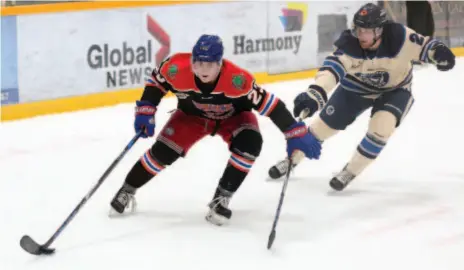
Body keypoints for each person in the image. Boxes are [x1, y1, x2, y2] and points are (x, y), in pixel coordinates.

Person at [109, 34, 322, 226]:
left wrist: (292, 131)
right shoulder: (175, 67)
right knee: (163, 152)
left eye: (209, 64)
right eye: (198, 62)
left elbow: (270, 104)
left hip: (233, 118)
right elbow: (156, 83)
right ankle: (128, 189)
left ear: (220, 63)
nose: (202, 69)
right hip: (191, 117)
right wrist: (146, 109)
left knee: (250, 144)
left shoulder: (238, 80)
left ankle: (221, 198)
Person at [268, 3, 455, 191]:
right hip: (355, 89)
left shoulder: (400, 37)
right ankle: (291, 160)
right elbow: (331, 71)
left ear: (380, 30)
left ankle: (350, 171)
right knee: (321, 128)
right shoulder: (349, 45)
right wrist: (314, 94)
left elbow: (426, 45)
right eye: (358, 29)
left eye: (366, 31)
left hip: (395, 90)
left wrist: (438, 52)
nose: (360, 35)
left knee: (381, 128)